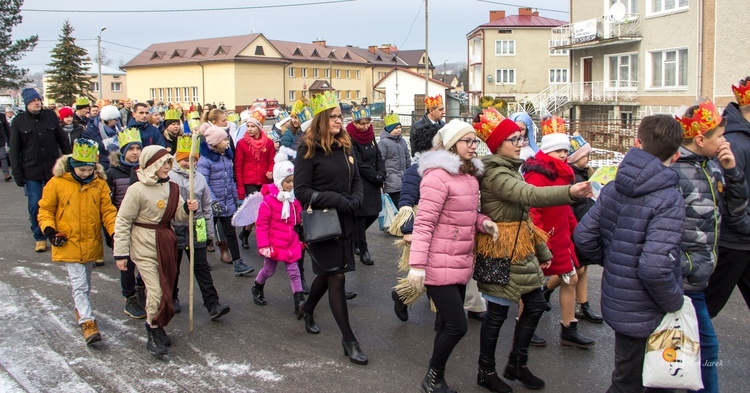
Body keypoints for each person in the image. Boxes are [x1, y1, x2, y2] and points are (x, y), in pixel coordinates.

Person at [472, 108, 592, 392]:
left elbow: (525, 214)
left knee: (536, 304)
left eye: (521, 138)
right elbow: (530, 195)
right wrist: (569, 192)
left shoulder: (509, 169)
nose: (520, 143)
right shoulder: (496, 174)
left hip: (520, 249)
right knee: (497, 314)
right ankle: (485, 371)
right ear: (498, 145)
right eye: (513, 139)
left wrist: (543, 252)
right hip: (499, 250)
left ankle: (517, 363)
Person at [574, 114, 686, 393]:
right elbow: (654, 267)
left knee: (626, 376)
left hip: (619, 298)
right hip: (651, 306)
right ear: (676, 155)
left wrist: (613, 260)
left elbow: (584, 235)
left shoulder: (614, 186)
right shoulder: (669, 197)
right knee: (658, 379)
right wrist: (674, 301)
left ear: (637, 143)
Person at [407, 119, 497, 392]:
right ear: (451, 144)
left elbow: (464, 215)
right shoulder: (437, 176)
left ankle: (435, 378)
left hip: (459, 261)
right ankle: (432, 377)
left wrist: (483, 223)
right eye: (467, 141)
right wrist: (417, 265)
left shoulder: (468, 176)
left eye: (474, 141)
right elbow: (424, 223)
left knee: (448, 324)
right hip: (437, 263)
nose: (473, 146)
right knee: (458, 326)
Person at [672, 100, 747, 393]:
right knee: (703, 351)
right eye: (720, 137)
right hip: (680, 280)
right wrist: (683, 264)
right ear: (701, 139)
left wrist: (733, 172)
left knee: (688, 351)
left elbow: (737, 214)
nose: (725, 142)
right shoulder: (674, 172)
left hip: (697, 280)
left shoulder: (714, 167)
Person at [294, 90, 367, 365]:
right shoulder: (308, 149)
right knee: (336, 277)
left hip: (346, 219)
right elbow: (301, 191)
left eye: (340, 116)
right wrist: (337, 199)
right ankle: (349, 340)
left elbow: (356, 179)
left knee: (327, 275)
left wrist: (357, 198)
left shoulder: (345, 145)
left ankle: (308, 307)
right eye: (334, 117)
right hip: (323, 222)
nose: (339, 121)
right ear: (322, 119)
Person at [113, 145, 199, 356]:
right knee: (156, 290)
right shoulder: (137, 190)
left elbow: (177, 217)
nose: (168, 167)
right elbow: (124, 220)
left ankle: (159, 326)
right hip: (144, 242)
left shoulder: (172, 188)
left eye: (169, 162)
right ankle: (152, 329)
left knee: (166, 288)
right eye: (164, 163)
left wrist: (187, 209)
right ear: (151, 164)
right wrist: (121, 253)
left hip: (166, 240)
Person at [522, 116, 595, 349]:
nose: (564, 155)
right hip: (545, 238)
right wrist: (540, 242)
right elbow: (533, 210)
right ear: (547, 151)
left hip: (562, 236)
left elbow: (564, 208)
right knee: (531, 284)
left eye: (565, 150)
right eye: (558, 151)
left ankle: (568, 327)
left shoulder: (563, 172)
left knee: (571, 278)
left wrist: (577, 231)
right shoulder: (536, 174)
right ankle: (524, 328)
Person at [37, 138, 117, 345]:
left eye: (89, 169)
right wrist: (50, 231)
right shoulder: (57, 183)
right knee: (79, 283)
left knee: (86, 282)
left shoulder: (99, 184)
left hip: (90, 240)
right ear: (73, 165)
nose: (85, 173)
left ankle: (81, 308)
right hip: (67, 240)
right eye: (81, 170)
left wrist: (115, 233)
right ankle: (87, 321)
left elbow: (108, 211)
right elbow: (45, 209)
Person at [169, 135, 231, 320]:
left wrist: (209, 234)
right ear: (177, 159)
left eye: (193, 160)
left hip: (198, 226)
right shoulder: (169, 177)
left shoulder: (200, 178)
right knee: (174, 266)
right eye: (184, 160)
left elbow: (206, 208)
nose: (189, 164)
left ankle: (212, 304)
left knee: (201, 266)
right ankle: (171, 297)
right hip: (176, 227)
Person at [389, 119, 442, 322]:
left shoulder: (445, 167)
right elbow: (406, 202)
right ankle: (401, 296)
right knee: (430, 274)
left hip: (441, 228)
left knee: (437, 273)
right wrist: (408, 231)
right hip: (423, 228)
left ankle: (442, 316)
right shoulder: (416, 170)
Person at [705, 78, 750, 318]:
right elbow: (722, 195)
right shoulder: (734, 143)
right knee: (706, 307)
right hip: (733, 242)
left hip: (744, 238)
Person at [9, 88, 73, 252]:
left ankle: (57, 233)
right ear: (26, 104)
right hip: (31, 170)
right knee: (35, 204)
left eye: (38, 100)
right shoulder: (18, 121)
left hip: (53, 168)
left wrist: (70, 161)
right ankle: (39, 236)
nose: (37, 103)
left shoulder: (50, 117)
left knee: (58, 203)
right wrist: (17, 173)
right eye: (32, 101)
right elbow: (15, 150)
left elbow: (63, 141)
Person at [251, 147, 305, 314]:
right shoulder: (268, 202)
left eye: (292, 181)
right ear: (279, 181)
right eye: (287, 181)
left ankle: (299, 301)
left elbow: (298, 219)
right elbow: (262, 225)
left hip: (290, 241)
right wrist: (264, 245)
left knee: (294, 271)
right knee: (269, 270)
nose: (291, 185)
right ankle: (257, 286)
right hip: (274, 243)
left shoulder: (293, 200)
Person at [197, 125, 253, 275]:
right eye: (223, 140)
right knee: (205, 235)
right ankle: (200, 262)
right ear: (215, 143)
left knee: (230, 233)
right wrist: (213, 201)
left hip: (227, 203)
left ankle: (238, 263)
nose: (227, 142)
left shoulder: (226, 157)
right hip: (211, 205)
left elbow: (231, 180)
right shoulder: (205, 161)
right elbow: (203, 184)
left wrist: (236, 198)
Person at [106, 128, 147, 319]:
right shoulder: (112, 173)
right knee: (128, 263)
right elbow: (108, 202)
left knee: (146, 259)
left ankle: (141, 287)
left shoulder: (145, 170)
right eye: (131, 149)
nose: (135, 152)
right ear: (123, 152)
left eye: (138, 148)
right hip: (124, 224)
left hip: (144, 222)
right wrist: (111, 231)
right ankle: (129, 297)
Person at [566, 133, 603, 324]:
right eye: (585, 155)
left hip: (585, 226)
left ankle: (583, 304)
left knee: (583, 268)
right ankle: (546, 291)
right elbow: (569, 205)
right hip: (575, 228)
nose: (588, 158)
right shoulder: (571, 176)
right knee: (574, 269)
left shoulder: (586, 174)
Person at [347, 106, 385, 266]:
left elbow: (377, 155)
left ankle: (355, 239)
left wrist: (382, 172)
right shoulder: (350, 137)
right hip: (361, 181)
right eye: (361, 123)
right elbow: (357, 162)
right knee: (361, 217)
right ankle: (363, 249)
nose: (365, 126)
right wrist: (374, 175)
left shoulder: (370, 136)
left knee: (374, 213)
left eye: (367, 123)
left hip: (374, 181)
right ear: (354, 123)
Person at [235, 110, 275, 250]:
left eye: (253, 126)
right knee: (257, 211)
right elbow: (238, 167)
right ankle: (262, 240)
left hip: (264, 181)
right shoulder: (241, 144)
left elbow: (272, 160)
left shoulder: (268, 143)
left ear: (259, 127)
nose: (250, 129)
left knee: (263, 210)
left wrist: (270, 170)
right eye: (248, 126)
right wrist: (240, 190)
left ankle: (246, 233)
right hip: (249, 182)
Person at [378, 113, 411, 206]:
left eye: (400, 127)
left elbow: (407, 158)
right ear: (389, 129)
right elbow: (380, 162)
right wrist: (383, 179)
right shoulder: (383, 143)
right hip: (391, 181)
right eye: (396, 128)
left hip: (403, 180)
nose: (399, 130)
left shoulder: (402, 141)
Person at [82, 105, 123, 169]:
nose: (117, 122)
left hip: (119, 164)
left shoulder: (118, 129)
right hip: (102, 166)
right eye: (115, 119)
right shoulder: (90, 132)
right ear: (108, 120)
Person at [0, 108, 10, 181]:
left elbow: (7, 129)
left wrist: (10, 141)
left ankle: (6, 174)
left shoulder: (2, 116)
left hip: (1, 141)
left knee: (3, 157)